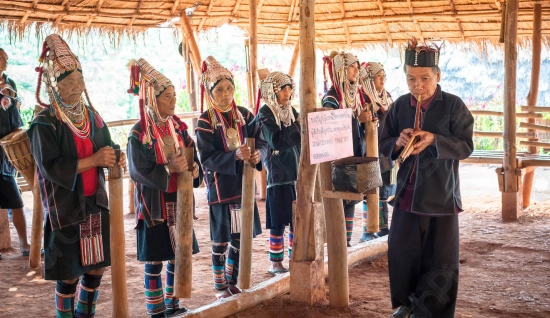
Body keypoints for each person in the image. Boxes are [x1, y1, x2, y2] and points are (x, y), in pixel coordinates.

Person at [28, 34, 126, 318]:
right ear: (53, 86)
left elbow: (107, 145)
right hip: (67, 207)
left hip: (95, 202)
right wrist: (94, 160)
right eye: (68, 82)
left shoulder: (91, 116)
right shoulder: (44, 123)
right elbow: (49, 167)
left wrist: (114, 156)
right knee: (70, 272)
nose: (76, 87)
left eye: (79, 81)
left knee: (96, 265)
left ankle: (86, 315)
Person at [379, 39, 474, 318]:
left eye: (424, 78)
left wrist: (435, 140)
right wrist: (398, 141)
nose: (417, 85)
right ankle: (407, 305)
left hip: (441, 198)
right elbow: (384, 141)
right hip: (406, 196)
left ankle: (434, 312)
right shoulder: (399, 106)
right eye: (411, 79)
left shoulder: (454, 107)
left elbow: (466, 146)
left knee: (440, 260)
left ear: (438, 76)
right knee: (401, 252)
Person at [126, 58, 203, 318]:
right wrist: (169, 169)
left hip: (179, 200)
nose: (173, 100)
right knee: (155, 259)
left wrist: (194, 170)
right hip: (154, 205)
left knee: (177, 255)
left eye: (174, 95)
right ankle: (156, 311)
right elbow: (137, 170)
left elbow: (194, 158)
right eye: (167, 96)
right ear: (153, 98)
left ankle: (173, 304)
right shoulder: (139, 134)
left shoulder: (179, 128)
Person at [196, 56, 266, 299]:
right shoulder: (205, 121)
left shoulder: (245, 115)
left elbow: (262, 141)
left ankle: (233, 280)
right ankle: (219, 285)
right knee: (221, 240)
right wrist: (234, 155)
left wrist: (259, 154)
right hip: (221, 189)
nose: (226, 94)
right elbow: (206, 157)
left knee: (239, 236)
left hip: (243, 187)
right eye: (220, 90)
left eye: (229, 88)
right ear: (210, 91)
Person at [322, 51, 374, 247]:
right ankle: (337, 244)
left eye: (357, 66)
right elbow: (331, 126)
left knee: (351, 199)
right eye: (352, 66)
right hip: (338, 158)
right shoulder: (332, 97)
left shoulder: (356, 94)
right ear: (341, 70)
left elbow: (357, 123)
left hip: (354, 154)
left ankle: (347, 242)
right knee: (339, 199)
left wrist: (367, 122)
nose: (356, 70)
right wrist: (356, 119)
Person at [255, 71, 300, 275]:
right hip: (278, 175)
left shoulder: (290, 111)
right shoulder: (265, 113)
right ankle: (275, 262)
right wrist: (299, 128)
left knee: (295, 218)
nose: (287, 92)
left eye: (289, 88)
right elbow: (276, 141)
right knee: (279, 220)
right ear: (273, 91)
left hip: (295, 174)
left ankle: (293, 258)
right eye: (283, 88)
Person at [359, 62, 395, 241]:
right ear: (369, 79)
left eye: (383, 76)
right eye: (378, 76)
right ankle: (368, 230)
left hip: (386, 151)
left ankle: (383, 228)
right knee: (371, 189)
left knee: (385, 189)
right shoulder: (362, 98)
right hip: (370, 151)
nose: (383, 79)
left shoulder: (387, 97)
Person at [0, 48, 30, 260]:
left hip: (6, 152)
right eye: (2, 58)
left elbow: (15, 109)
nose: (6, 61)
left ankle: (25, 243)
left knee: (16, 201)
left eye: (6, 58)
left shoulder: (9, 83)